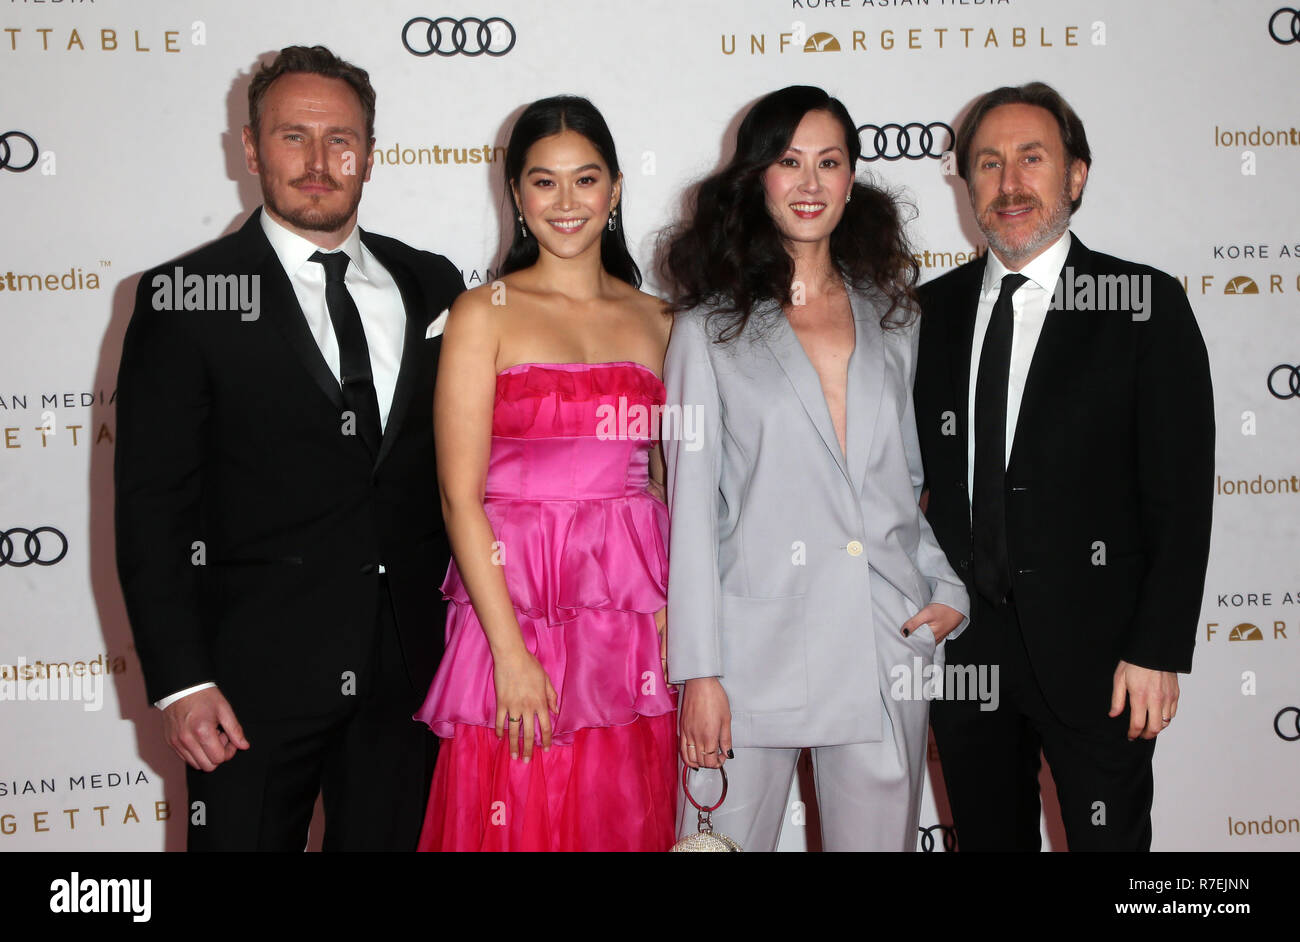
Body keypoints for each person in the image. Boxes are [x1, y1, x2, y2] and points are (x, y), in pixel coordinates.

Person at [114, 45, 464, 851]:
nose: (318, 162)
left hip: (408, 679)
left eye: (341, 140)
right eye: (292, 136)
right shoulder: (184, 296)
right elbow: (151, 506)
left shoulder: (432, 284)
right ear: (249, 148)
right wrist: (181, 682)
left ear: (371, 155)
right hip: (245, 686)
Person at [661, 85, 969, 852]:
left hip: (878, 641)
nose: (809, 183)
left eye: (829, 162)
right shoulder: (706, 331)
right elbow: (691, 512)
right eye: (788, 161)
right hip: (747, 653)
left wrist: (947, 588)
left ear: (851, 179)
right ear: (756, 177)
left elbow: (902, 484)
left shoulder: (894, 316)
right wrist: (698, 672)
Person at [914, 81, 1215, 851]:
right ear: (967, 182)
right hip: (966, 654)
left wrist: (1156, 649)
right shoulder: (924, 313)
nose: (1009, 183)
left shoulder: (1142, 305)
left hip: (1103, 658)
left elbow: (1180, 499)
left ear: (1075, 176)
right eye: (987, 163)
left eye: (1032, 159)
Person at [414, 95, 677, 852]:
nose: (567, 203)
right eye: (544, 182)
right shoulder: (482, 314)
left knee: (620, 809)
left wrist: (670, 615)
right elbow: (459, 499)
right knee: (517, 809)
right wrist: (509, 655)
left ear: (616, 190)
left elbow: (664, 486)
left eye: (586, 180)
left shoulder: (659, 319)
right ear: (518, 197)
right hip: (514, 606)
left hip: (628, 618)